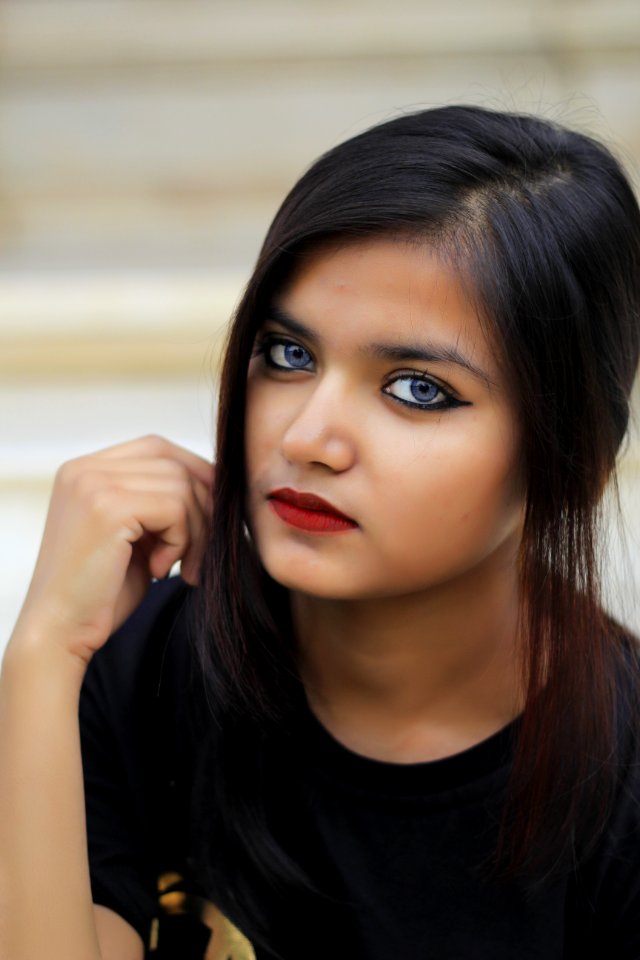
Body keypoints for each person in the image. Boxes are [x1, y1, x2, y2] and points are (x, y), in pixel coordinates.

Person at [1, 104, 640, 960]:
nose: (305, 438)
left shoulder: (621, 782)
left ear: (575, 459)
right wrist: (43, 652)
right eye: (289, 355)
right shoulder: (144, 668)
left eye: (417, 389)